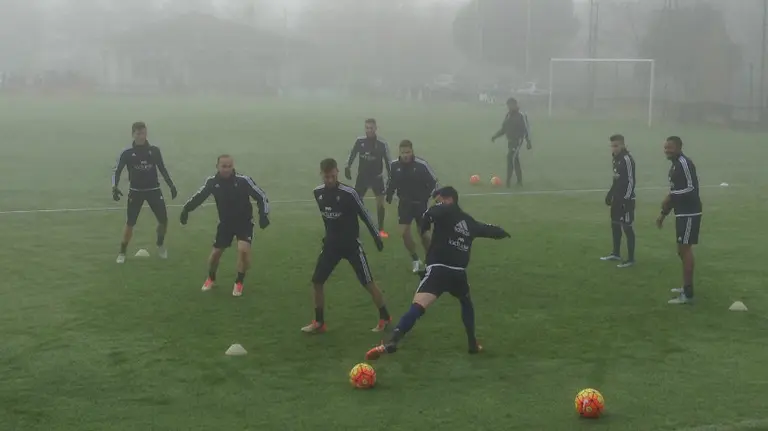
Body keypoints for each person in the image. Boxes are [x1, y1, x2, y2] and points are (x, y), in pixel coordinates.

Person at [365, 186, 510, 360]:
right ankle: (472, 344)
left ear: (450, 199)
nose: (438, 203)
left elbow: (429, 214)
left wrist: (425, 225)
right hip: (458, 273)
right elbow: (487, 229)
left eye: (440, 200)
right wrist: (502, 232)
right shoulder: (468, 221)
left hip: (438, 270)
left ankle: (393, 341)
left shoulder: (444, 210)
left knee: (417, 307)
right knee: (466, 303)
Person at [303, 158, 391, 334]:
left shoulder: (349, 193)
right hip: (331, 247)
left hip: (352, 246)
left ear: (337, 172)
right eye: (326, 177)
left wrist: (376, 236)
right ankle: (319, 322)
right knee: (317, 281)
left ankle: (385, 317)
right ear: (321, 174)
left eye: (332, 176)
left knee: (368, 282)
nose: (330, 180)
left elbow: (364, 214)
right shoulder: (317, 193)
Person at [179, 155, 270, 297]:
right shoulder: (212, 182)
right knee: (215, 255)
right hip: (225, 224)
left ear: (233, 166)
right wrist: (186, 210)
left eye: (229, 166)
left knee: (243, 251)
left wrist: (263, 215)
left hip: (244, 223)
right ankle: (211, 278)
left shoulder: (243, 181)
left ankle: (239, 282)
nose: (227, 169)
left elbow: (261, 196)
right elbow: (199, 196)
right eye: (223, 166)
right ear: (217, 167)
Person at [112, 122, 177, 263]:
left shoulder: (154, 151)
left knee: (163, 220)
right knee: (130, 222)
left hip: (154, 190)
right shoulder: (127, 153)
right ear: (133, 134)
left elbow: (162, 168)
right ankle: (122, 252)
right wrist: (114, 186)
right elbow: (117, 170)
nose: (142, 136)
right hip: (136, 192)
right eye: (139, 133)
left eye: (144, 133)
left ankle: (160, 244)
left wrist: (171, 185)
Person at [656, 136, 702, 305]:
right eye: (665, 148)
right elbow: (675, 192)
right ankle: (685, 287)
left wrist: (671, 196)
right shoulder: (675, 165)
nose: (667, 151)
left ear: (679, 147)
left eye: (670, 147)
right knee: (681, 250)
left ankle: (688, 294)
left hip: (690, 212)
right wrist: (663, 214)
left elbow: (691, 188)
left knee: (685, 250)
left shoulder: (684, 163)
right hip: (682, 213)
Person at [385, 140, 439, 273]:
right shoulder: (394, 165)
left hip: (421, 205)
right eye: (403, 153)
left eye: (408, 152)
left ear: (412, 151)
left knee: (424, 235)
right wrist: (389, 194)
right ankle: (415, 259)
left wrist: (430, 197)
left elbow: (434, 182)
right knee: (404, 233)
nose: (405, 155)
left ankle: (430, 260)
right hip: (404, 205)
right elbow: (391, 181)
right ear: (399, 152)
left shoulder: (421, 165)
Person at [345, 118, 392, 238]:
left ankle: (381, 229)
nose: (369, 130)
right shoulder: (359, 141)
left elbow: (388, 162)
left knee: (380, 203)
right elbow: (352, 154)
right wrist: (347, 167)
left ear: (375, 128)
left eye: (371, 128)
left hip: (377, 178)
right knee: (356, 202)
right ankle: (354, 227)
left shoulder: (382, 144)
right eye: (367, 128)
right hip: (362, 177)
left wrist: (391, 178)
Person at [600, 134, 637, 268]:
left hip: (626, 200)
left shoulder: (627, 159)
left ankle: (631, 259)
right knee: (615, 224)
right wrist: (610, 194)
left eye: (616, 146)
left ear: (622, 145)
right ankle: (616, 253)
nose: (614, 148)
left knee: (627, 227)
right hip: (617, 198)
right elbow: (616, 179)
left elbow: (631, 181)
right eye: (612, 146)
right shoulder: (616, 159)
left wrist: (626, 199)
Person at [491, 98, 532, 187]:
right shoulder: (508, 115)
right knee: (515, 159)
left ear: (515, 105)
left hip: (518, 141)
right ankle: (519, 181)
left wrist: (528, 141)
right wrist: (495, 136)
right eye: (508, 105)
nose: (509, 107)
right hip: (510, 141)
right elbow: (504, 129)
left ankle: (508, 181)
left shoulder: (521, 116)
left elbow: (526, 129)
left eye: (511, 105)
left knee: (510, 157)